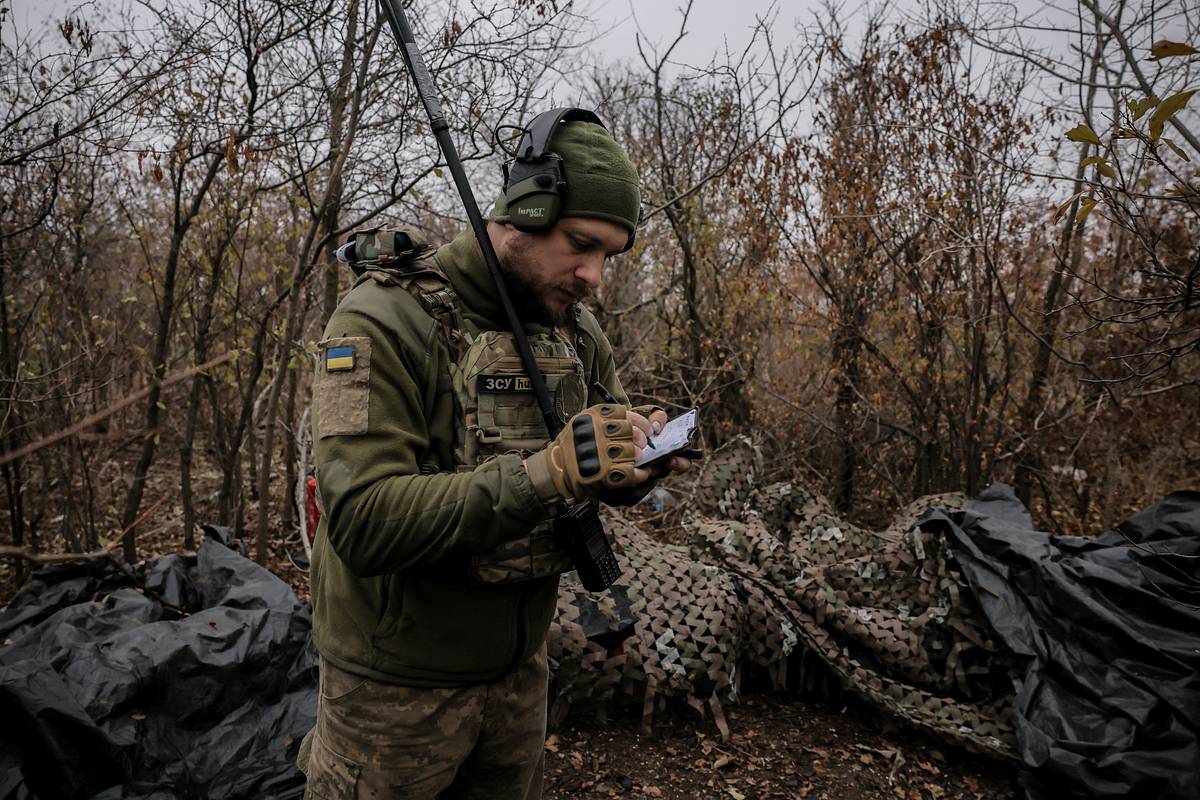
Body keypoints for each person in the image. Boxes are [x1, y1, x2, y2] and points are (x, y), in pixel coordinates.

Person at [298, 112, 690, 799]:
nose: (595, 275)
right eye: (581, 244)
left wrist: (633, 464)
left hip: (519, 680)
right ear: (524, 213)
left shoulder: (573, 330)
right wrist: (546, 474)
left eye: (610, 255)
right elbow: (361, 519)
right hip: (393, 697)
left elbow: (594, 457)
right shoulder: (384, 319)